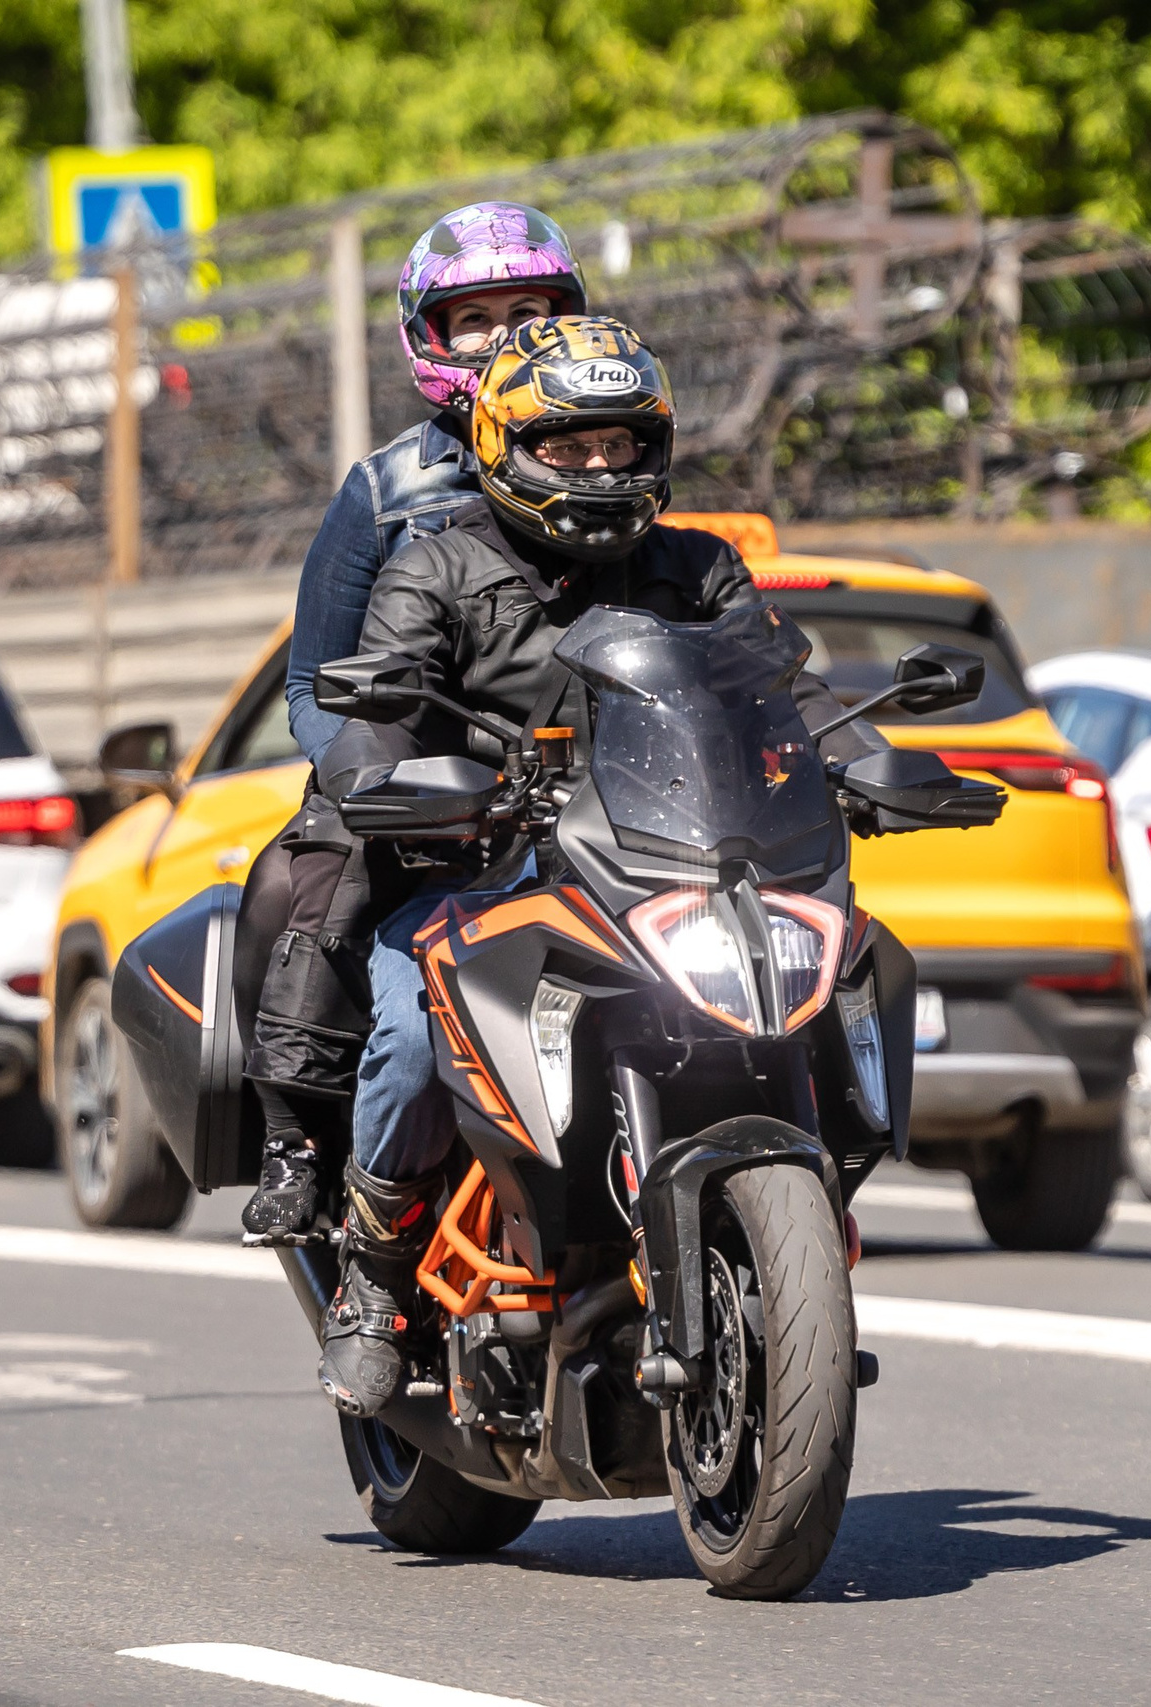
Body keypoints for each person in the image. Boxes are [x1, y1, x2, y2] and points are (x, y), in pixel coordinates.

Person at [314, 314, 888, 1415]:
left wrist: (872, 764)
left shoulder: (700, 567)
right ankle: (374, 1279)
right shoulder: (437, 567)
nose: (598, 468)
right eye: (568, 447)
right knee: (404, 1026)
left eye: (621, 445)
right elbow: (377, 706)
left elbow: (793, 695)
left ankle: (803, 1223)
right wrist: (385, 775)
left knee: (853, 966)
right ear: (501, 442)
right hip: (479, 870)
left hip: (671, 871)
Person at [240, 203, 590, 1247]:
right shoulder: (384, 491)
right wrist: (367, 777)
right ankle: (300, 1142)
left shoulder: (614, 459)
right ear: (427, 339)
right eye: (475, 319)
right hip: (427, 790)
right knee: (329, 876)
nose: (506, 337)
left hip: (589, 797)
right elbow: (313, 685)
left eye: (531, 311)